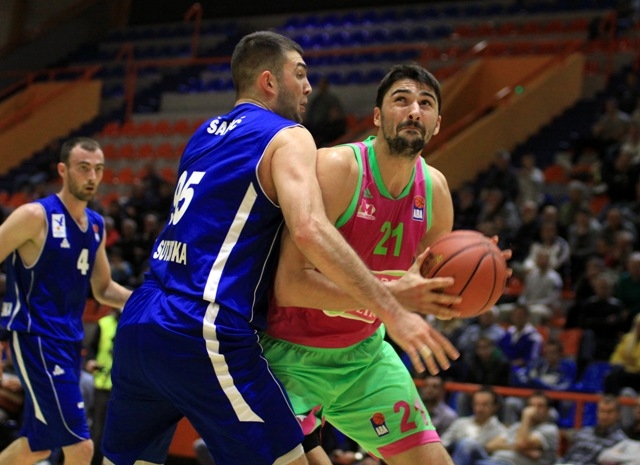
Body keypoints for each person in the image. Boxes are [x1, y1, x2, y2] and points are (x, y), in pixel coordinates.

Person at [102, 36, 459, 465]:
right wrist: (393, 306)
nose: (309, 87)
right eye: (300, 75)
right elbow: (309, 229)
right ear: (269, 82)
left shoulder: (204, 134)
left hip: (142, 317)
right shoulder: (290, 137)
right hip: (207, 323)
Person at [262, 64, 467, 465]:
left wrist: (468, 288)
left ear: (437, 124)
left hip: (364, 357)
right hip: (288, 356)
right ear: (376, 116)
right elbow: (289, 285)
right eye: (401, 100)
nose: (414, 111)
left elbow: (427, 291)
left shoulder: (436, 192)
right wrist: (390, 298)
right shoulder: (338, 168)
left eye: (426, 104)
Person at [0, 137, 132, 464]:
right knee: (81, 447)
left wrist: (154, 303)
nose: (92, 176)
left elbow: (104, 289)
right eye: (83, 168)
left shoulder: (96, 226)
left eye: (98, 169)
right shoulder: (35, 216)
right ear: (63, 170)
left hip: (70, 341)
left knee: (37, 446)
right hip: (35, 337)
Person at [477, 391, 559, 465]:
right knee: (471, 446)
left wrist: (526, 416)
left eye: (540, 406)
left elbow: (521, 443)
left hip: (509, 463)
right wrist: (522, 450)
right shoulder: (518, 426)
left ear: (548, 410)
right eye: (531, 406)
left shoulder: (550, 429)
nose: (534, 410)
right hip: (494, 460)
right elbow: (490, 446)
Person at [84, 308, 120, 465]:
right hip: (103, 383)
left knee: (118, 429)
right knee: (99, 428)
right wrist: (90, 361)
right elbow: (92, 348)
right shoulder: (104, 323)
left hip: (124, 386)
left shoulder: (136, 322)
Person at [440, 387, 507, 465]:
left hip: (484, 462)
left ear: (495, 407)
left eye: (485, 405)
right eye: (476, 404)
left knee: (468, 444)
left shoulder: (501, 431)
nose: (479, 409)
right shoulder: (460, 423)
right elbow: (442, 444)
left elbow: (500, 459)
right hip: (456, 460)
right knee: (465, 444)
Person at [560, 395, 628, 465]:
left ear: (618, 414)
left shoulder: (621, 441)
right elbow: (567, 457)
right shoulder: (584, 432)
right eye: (602, 411)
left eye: (609, 412)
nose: (604, 416)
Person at [304, 76, 347, 148]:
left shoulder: (331, 99)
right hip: (315, 125)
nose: (321, 86)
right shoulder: (316, 99)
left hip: (328, 126)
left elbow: (335, 114)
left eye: (323, 84)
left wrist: (330, 120)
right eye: (320, 85)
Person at [604, 313, 640, 395]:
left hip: (637, 374)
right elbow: (616, 356)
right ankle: (612, 398)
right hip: (626, 371)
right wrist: (619, 363)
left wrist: (631, 365)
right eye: (638, 325)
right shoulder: (627, 338)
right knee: (610, 376)